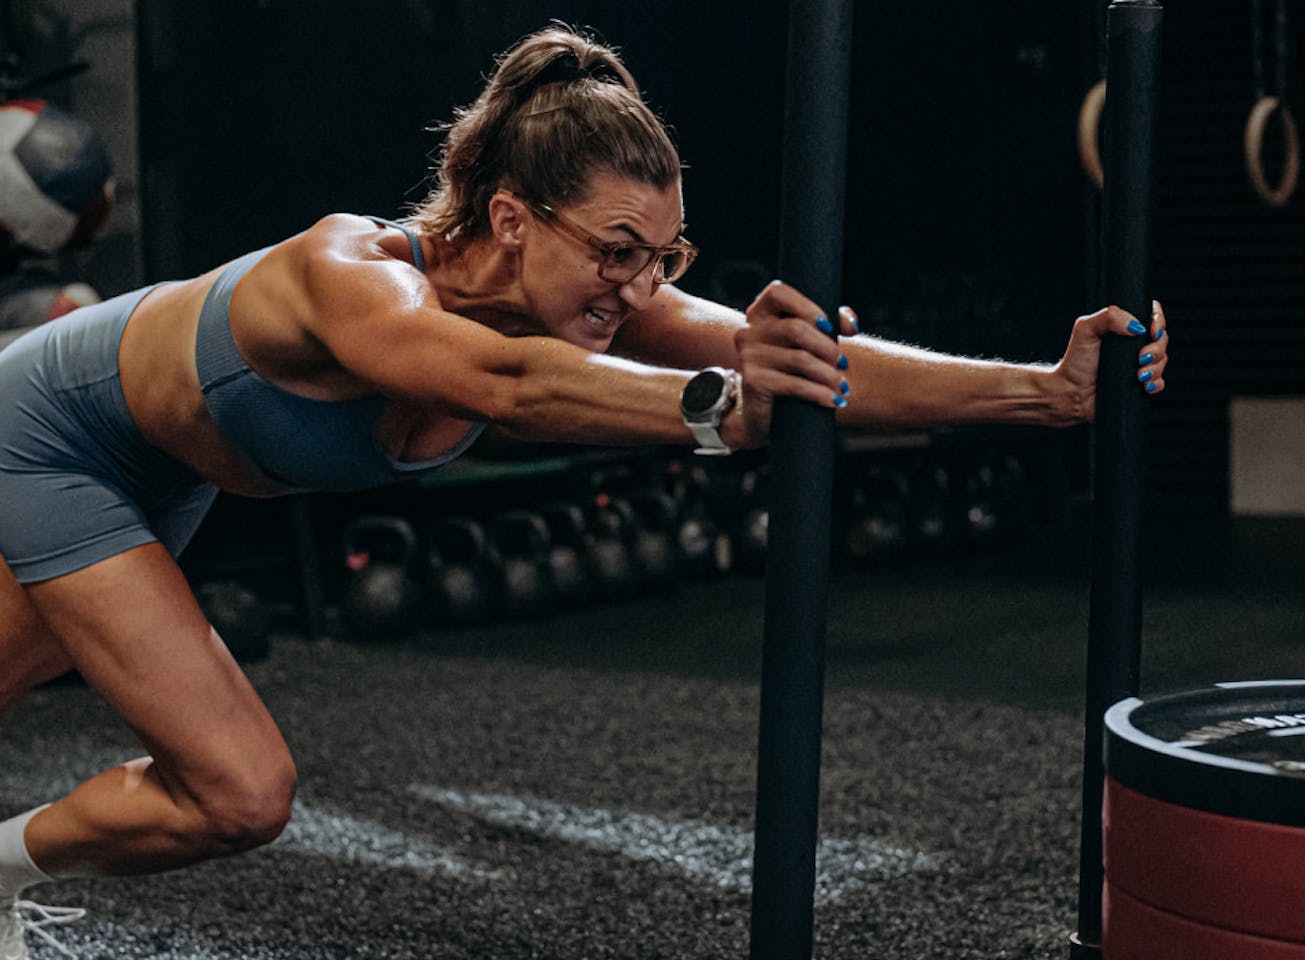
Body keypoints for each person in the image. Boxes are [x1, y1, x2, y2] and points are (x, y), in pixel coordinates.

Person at [0, 23, 1168, 957]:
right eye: (618, 249)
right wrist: (717, 410)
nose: (641, 283)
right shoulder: (346, 273)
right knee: (240, 792)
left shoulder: (603, 288)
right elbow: (506, 379)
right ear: (510, 216)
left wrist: (1047, 390)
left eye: (665, 256)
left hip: (165, 474)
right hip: (48, 432)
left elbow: (805, 372)